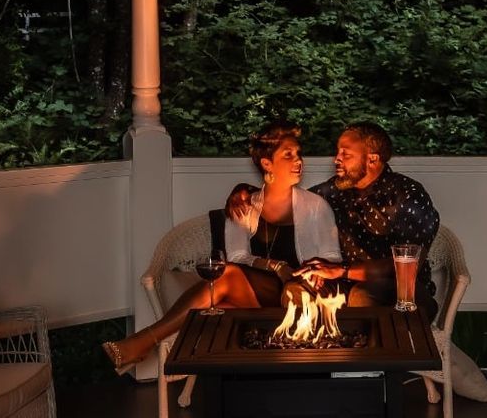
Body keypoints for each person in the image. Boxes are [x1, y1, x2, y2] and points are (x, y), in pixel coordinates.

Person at [101, 121, 341, 374]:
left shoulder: (315, 206)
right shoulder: (243, 205)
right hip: (258, 293)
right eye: (288, 155)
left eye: (299, 154)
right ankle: (148, 345)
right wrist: (274, 266)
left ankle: (142, 342)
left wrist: (308, 273)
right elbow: (238, 256)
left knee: (226, 294)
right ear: (266, 163)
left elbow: (331, 257)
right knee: (223, 284)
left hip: (300, 293)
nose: (298, 160)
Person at [290, 122, 440, 314]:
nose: (337, 159)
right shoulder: (334, 191)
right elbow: (291, 201)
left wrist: (342, 270)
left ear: (372, 159)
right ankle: (324, 342)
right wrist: (247, 193)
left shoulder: (408, 195)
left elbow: (407, 267)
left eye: (346, 154)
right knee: (295, 290)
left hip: (404, 292)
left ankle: (375, 343)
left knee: (362, 295)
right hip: (345, 284)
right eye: (337, 152)